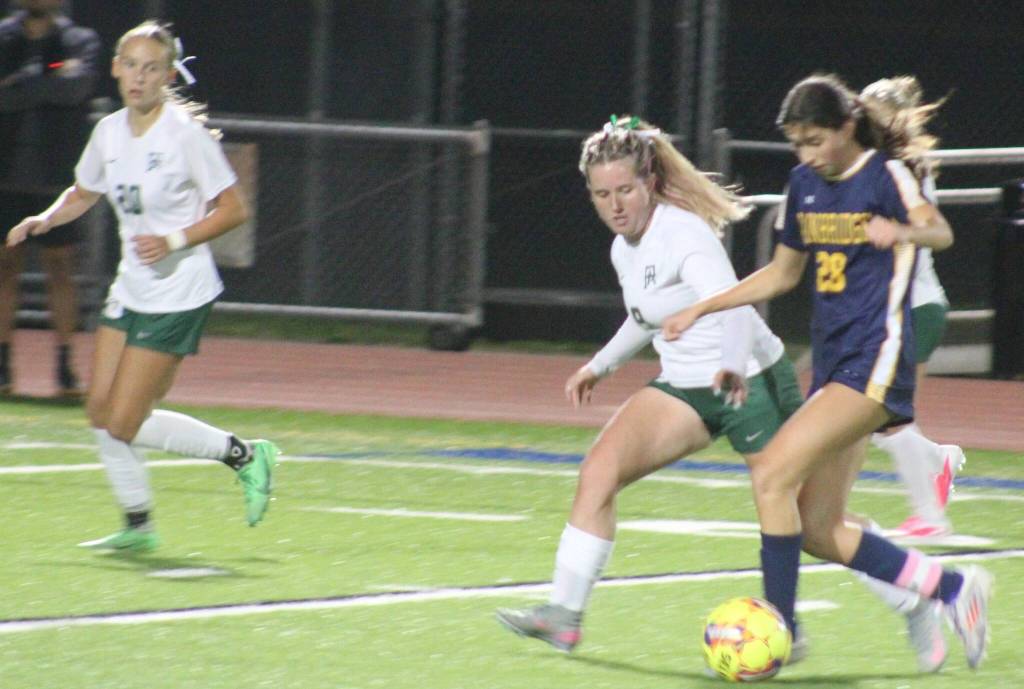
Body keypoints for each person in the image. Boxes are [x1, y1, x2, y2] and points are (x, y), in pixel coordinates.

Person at [661, 74, 993, 672]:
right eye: (797, 144)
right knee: (818, 527)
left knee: (771, 477)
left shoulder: (886, 175)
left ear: (846, 127)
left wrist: (903, 231)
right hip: (835, 365)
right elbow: (782, 274)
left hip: (877, 358)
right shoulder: (803, 185)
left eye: (815, 140)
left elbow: (940, 231)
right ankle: (952, 589)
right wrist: (702, 307)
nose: (807, 154)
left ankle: (783, 631)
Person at [495, 115, 806, 655]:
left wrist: (732, 365)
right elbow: (644, 316)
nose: (614, 205)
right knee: (599, 471)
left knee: (818, 524)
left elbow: (734, 307)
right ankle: (563, 615)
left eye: (624, 190)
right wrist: (599, 366)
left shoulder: (683, 234)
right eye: (602, 195)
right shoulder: (625, 248)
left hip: (751, 380)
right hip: (685, 386)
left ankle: (918, 594)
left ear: (651, 184)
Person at [6, 20, 278, 552]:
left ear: (168, 75)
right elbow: (83, 192)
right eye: (130, 65)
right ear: (115, 68)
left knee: (125, 422)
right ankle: (137, 527)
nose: (138, 77)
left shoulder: (184, 135)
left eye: (151, 68)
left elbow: (235, 209)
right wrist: (44, 218)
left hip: (179, 293)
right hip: (131, 287)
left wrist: (174, 239)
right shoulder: (109, 131)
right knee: (100, 412)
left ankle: (244, 455)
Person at [860, 76, 964, 539]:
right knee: (878, 417)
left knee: (887, 415)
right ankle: (938, 460)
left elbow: (917, 237)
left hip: (913, 305)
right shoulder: (880, 166)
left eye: (866, 115)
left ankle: (930, 517)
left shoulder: (900, 170)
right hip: (902, 306)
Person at [0, 0, 100, 395]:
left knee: (61, 269)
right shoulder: (4, 38)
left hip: (55, 177)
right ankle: (3, 365)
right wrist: (48, 81)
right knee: (5, 267)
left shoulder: (78, 40)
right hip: (6, 176)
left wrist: (22, 84)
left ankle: (64, 365)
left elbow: (77, 88)